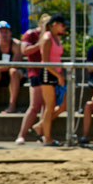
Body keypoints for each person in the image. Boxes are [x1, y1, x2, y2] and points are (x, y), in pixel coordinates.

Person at [14, 14, 50, 145]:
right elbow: (25, 51)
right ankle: (21, 135)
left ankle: (41, 135)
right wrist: (40, 44)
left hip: (47, 72)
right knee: (35, 106)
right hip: (35, 72)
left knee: (46, 106)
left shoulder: (50, 36)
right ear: (41, 24)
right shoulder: (31, 34)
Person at [35, 15, 66, 146]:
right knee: (49, 106)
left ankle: (40, 126)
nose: (65, 28)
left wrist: (61, 74)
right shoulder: (47, 38)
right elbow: (46, 62)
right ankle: (47, 137)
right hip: (48, 73)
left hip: (56, 73)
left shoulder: (56, 37)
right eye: (63, 25)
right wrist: (58, 76)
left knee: (59, 105)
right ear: (54, 24)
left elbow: (56, 59)